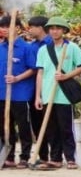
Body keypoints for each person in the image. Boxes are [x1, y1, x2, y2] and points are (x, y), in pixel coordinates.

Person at [33, 17, 81, 169]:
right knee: (51, 129)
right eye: (52, 28)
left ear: (64, 31)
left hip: (64, 96)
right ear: (48, 31)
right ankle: (55, 158)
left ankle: (70, 158)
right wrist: (38, 96)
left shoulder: (72, 47)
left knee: (66, 128)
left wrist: (65, 76)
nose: (54, 31)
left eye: (58, 28)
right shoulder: (43, 50)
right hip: (48, 94)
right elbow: (40, 73)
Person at [1, 15, 37, 168]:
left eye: (6, 26)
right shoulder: (1, 47)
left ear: (16, 28)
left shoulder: (26, 48)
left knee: (23, 125)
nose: (3, 30)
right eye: (2, 27)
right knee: (4, 126)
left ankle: (24, 156)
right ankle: (8, 155)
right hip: (2, 94)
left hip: (21, 94)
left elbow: (34, 69)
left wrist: (17, 78)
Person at [24, 15, 49, 163]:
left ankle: (57, 155)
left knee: (53, 124)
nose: (29, 30)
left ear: (40, 28)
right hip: (34, 90)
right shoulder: (31, 46)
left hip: (52, 89)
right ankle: (43, 156)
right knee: (37, 123)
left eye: (32, 27)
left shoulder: (53, 44)